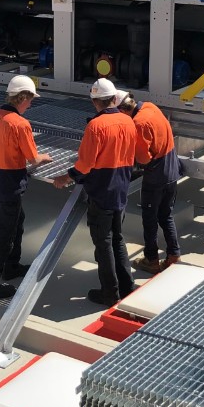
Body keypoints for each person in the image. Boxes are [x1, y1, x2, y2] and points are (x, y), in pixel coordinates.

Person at [53, 78, 138, 306]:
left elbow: (85, 164)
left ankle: (110, 292)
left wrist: (65, 178)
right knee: (117, 238)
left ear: (94, 101)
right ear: (114, 98)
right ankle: (127, 286)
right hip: (120, 187)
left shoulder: (96, 126)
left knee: (103, 242)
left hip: (101, 190)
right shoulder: (128, 121)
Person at [0, 75, 53, 301]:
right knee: (4, 237)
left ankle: (12, 266)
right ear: (22, 98)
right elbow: (33, 158)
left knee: (18, 219)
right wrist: (45, 157)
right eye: (30, 100)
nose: (30, 104)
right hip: (10, 186)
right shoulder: (20, 124)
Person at [116, 90, 183, 274]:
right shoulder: (150, 106)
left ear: (122, 110)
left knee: (150, 218)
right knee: (166, 215)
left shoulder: (138, 123)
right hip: (172, 168)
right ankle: (174, 255)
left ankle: (151, 260)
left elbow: (143, 158)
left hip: (156, 176)